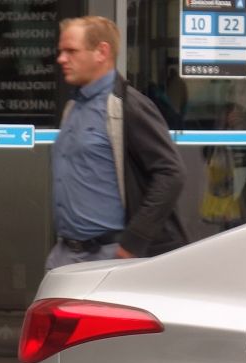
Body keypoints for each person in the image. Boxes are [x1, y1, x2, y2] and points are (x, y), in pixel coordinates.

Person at [48, 17, 185, 268]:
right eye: (61, 51)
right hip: (65, 255)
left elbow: (170, 173)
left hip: (108, 256)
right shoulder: (73, 107)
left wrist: (134, 242)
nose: (61, 59)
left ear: (102, 52)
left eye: (71, 51)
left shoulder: (127, 106)